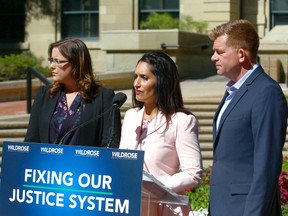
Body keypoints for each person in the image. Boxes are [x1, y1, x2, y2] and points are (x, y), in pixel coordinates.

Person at [208, 19, 288, 216]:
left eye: (220, 52)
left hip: (246, 210)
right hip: (223, 207)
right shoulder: (233, 91)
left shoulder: (266, 92)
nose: (213, 57)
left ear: (241, 54)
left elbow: (267, 165)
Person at [119, 51, 203, 215]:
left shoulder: (181, 121)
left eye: (144, 78)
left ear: (162, 82)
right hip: (129, 207)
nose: (136, 83)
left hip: (163, 208)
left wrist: (152, 184)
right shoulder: (131, 116)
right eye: (135, 76)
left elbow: (193, 174)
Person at [24, 38, 121, 147]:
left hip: (86, 164)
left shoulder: (103, 97)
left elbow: (110, 144)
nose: (51, 66)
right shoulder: (45, 95)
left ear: (77, 63)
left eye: (58, 61)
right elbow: (31, 141)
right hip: (47, 163)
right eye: (51, 60)